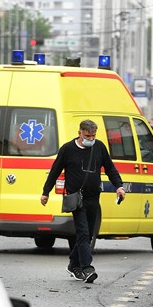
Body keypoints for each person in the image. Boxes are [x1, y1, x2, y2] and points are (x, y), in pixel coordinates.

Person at [41, 119, 126, 283]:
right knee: (82, 232)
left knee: (88, 236)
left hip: (94, 197)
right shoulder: (67, 149)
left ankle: (73, 265)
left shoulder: (99, 147)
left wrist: (119, 186)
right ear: (80, 132)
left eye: (93, 136)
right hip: (76, 199)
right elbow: (55, 170)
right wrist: (46, 192)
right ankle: (87, 268)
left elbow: (110, 168)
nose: (90, 139)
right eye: (88, 135)